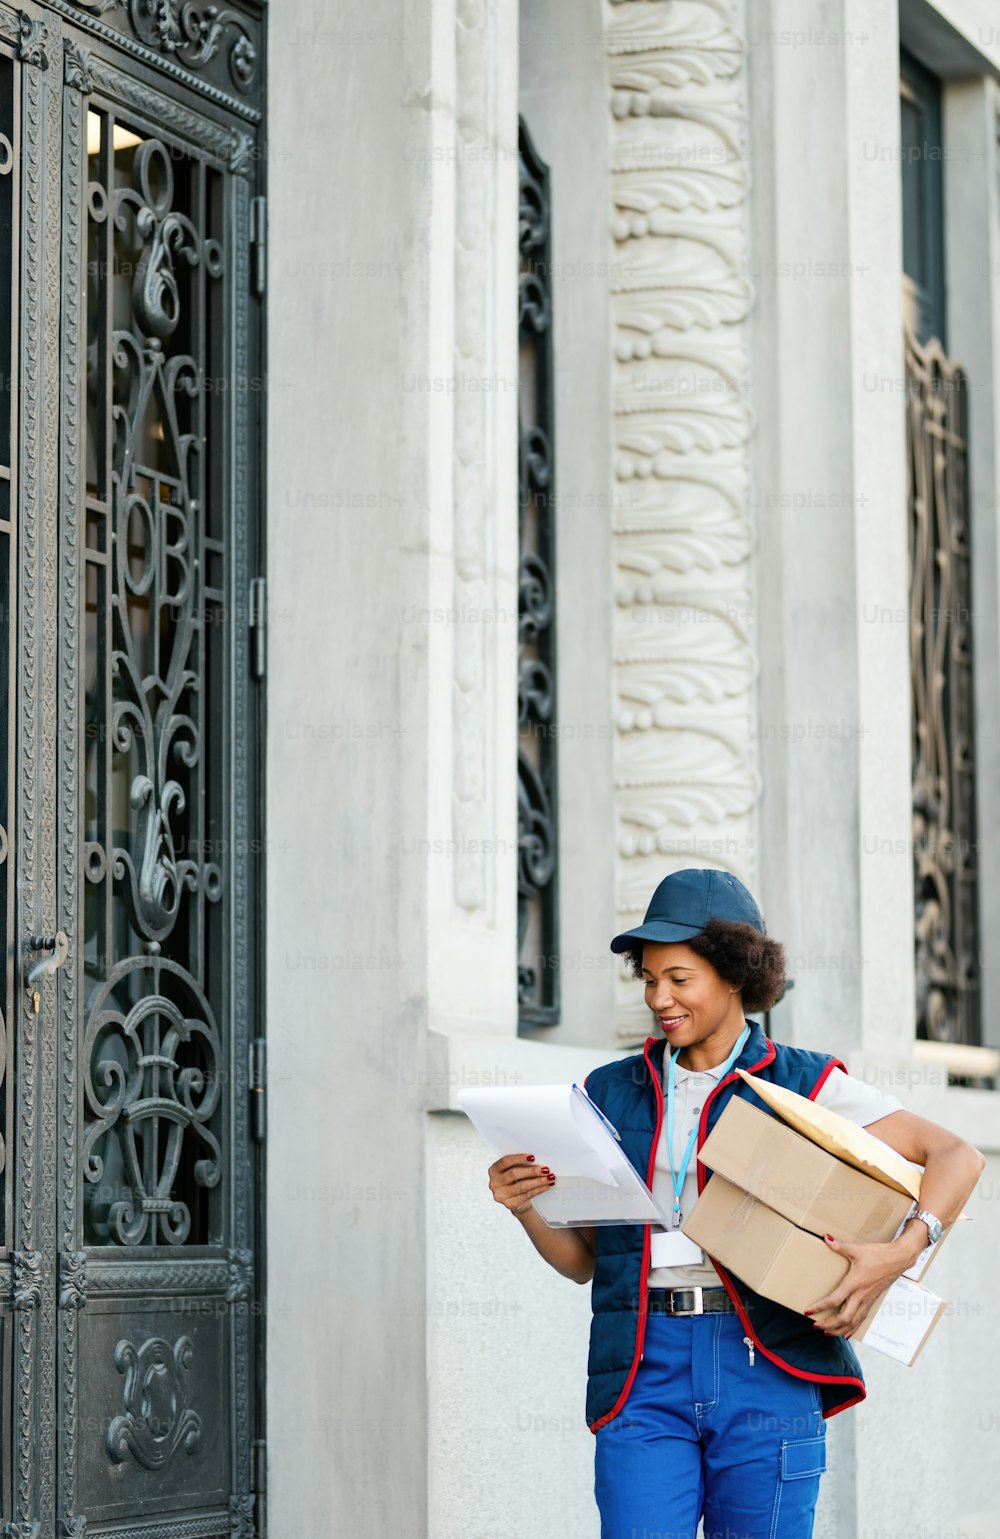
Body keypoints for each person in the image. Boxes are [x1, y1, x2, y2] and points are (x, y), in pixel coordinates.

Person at [487, 868, 985, 1539]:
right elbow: (584, 1263)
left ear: (733, 974)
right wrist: (526, 1207)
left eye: (680, 978)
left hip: (765, 1362)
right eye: (650, 977)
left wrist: (899, 1251)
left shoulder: (806, 1081)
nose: (660, 997)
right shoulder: (607, 1091)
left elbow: (957, 1155)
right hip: (643, 1364)